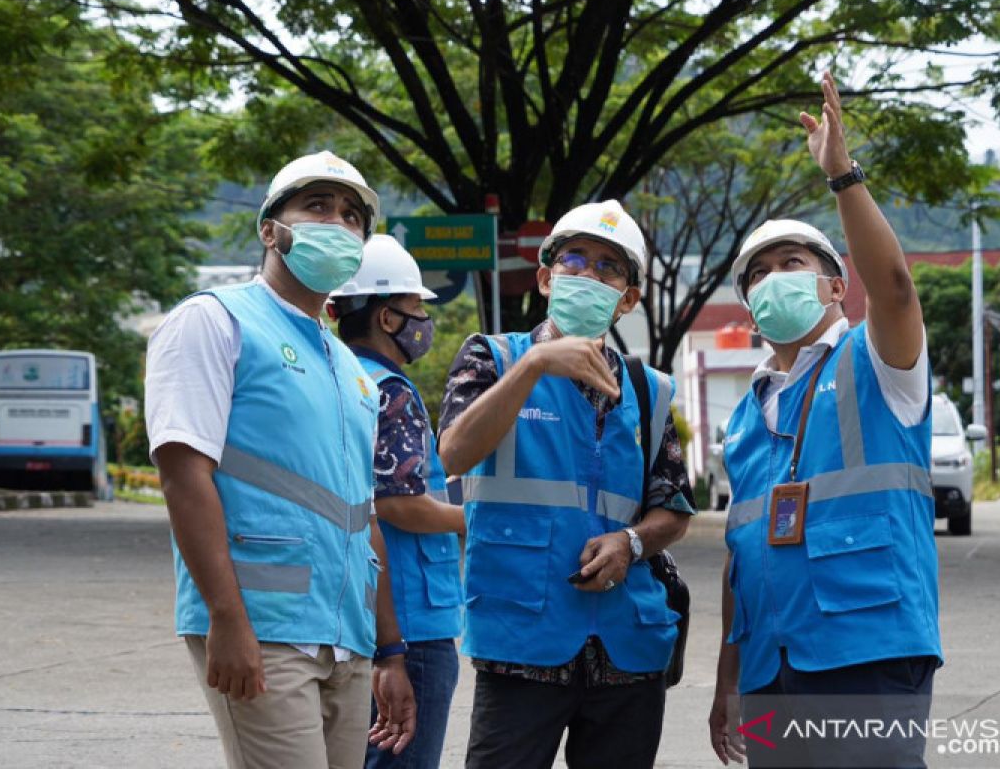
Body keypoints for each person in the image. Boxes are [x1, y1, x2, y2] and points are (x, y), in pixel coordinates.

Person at [145, 151, 416, 769]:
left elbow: (362, 515)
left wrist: (389, 649)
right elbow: (183, 474)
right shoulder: (214, 322)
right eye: (317, 206)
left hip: (345, 636)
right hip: (262, 625)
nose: (337, 223)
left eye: (352, 216)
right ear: (271, 229)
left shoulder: (351, 370)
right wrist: (226, 619)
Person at [707, 73, 940, 769]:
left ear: (836, 285)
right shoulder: (746, 418)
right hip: (770, 668)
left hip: (869, 649)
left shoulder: (880, 366)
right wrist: (727, 683)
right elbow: (739, 562)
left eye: (792, 263)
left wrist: (841, 174)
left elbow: (896, 288)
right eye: (757, 275)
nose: (772, 279)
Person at [437, 200, 695, 769]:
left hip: (628, 648)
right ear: (547, 278)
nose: (588, 275)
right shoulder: (492, 357)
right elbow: (454, 452)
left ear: (628, 298)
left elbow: (673, 507)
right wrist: (532, 368)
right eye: (574, 260)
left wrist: (630, 544)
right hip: (521, 639)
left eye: (608, 268)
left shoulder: (648, 389)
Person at [328, 233, 466, 769]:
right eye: (415, 309)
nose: (423, 323)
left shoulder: (338, 378)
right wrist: (481, 519)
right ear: (387, 318)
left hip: (356, 613)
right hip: (414, 623)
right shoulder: (391, 390)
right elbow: (397, 504)